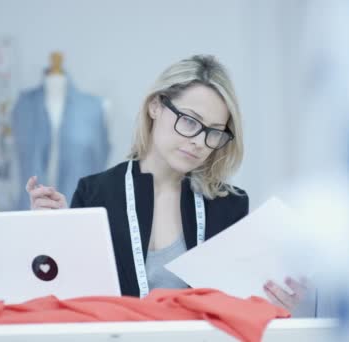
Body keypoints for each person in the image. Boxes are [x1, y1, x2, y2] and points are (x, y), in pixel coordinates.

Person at [25, 55, 306, 312]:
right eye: (190, 121)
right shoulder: (95, 194)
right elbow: (71, 300)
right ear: (155, 106)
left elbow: (240, 307)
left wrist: (281, 305)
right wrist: (55, 236)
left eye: (214, 133)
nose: (199, 141)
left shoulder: (229, 205)